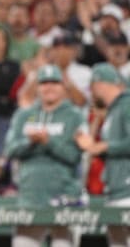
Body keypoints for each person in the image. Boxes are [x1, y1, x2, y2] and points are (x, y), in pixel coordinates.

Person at [4, 64, 86, 247]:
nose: (49, 87)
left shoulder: (74, 116)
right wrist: (31, 143)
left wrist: (48, 142)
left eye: (54, 83)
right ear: (38, 87)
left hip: (65, 196)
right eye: (44, 83)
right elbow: (9, 150)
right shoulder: (24, 115)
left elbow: (73, 156)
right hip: (30, 195)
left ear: (63, 86)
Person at [77, 63, 130, 247]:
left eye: (92, 88)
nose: (91, 94)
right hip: (116, 189)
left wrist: (102, 147)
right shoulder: (113, 110)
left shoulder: (127, 104)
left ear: (99, 84)